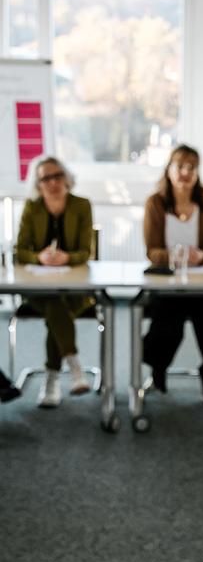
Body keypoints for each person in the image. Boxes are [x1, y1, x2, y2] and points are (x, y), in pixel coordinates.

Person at [143, 144, 203, 410]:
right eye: (180, 166)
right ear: (169, 170)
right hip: (168, 283)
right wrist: (176, 256)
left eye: (191, 168)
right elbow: (152, 251)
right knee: (166, 323)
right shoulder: (156, 203)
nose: (185, 172)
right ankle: (157, 369)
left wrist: (200, 256)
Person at [15, 156, 94, 408]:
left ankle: (52, 379)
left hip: (76, 289)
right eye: (45, 178)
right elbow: (20, 252)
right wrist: (39, 257)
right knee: (53, 303)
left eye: (57, 175)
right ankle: (74, 366)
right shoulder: (32, 208)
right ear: (37, 184)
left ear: (66, 178)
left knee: (56, 310)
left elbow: (85, 252)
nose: (53, 182)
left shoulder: (81, 205)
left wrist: (66, 258)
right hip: (38, 290)